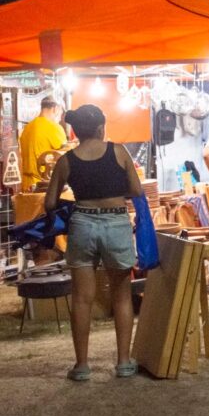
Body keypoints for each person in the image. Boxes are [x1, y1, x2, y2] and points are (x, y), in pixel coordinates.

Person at [44, 105, 144, 381]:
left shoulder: (66, 160)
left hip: (83, 224)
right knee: (122, 294)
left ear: (75, 131)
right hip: (115, 221)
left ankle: (82, 366)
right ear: (101, 127)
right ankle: (123, 362)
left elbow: (50, 202)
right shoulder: (119, 151)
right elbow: (136, 190)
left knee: (82, 298)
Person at [20, 96, 71, 190]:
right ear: (56, 109)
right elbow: (66, 155)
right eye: (61, 114)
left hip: (26, 185)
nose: (60, 118)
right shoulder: (54, 128)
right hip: (44, 186)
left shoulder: (27, 128)